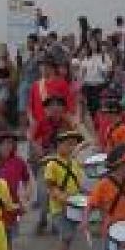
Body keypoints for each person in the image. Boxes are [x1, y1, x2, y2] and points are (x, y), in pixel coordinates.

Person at [44, 130, 85, 250]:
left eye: (73, 144)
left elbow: (78, 184)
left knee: (68, 239)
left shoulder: (74, 163)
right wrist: (62, 197)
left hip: (74, 206)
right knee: (65, 238)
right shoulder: (52, 164)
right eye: (68, 144)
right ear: (58, 145)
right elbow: (50, 186)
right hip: (59, 208)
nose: (71, 147)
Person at [30, 95, 76, 235]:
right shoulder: (42, 122)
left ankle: (57, 221)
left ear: (63, 108)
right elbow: (32, 138)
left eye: (58, 105)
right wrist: (37, 148)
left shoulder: (67, 123)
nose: (55, 108)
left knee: (61, 190)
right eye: (51, 105)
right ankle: (43, 219)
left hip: (61, 160)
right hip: (46, 158)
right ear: (47, 109)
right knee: (44, 192)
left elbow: (75, 140)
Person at [80, 37, 112, 117]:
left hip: (100, 85)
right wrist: (81, 82)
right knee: (89, 107)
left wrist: (104, 71)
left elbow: (109, 71)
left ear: (98, 44)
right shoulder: (87, 57)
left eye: (94, 43)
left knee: (98, 107)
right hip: (88, 85)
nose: (92, 45)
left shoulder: (104, 56)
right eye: (90, 43)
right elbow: (83, 72)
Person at [17, 34, 41, 133]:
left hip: (35, 83)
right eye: (28, 42)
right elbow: (20, 67)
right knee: (22, 108)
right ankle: (23, 130)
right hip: (24, 82)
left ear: (35, 43)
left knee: (35, 108)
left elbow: (39, 66)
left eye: (31, 42)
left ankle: (35, 129)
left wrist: (36, 53)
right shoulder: (24, 53)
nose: (28, 44)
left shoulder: (39, 53)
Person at [0, 43, 16, 130]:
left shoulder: (9, 63)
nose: (2, 52)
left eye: (4, 50)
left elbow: (12, 79)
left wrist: (3, 81)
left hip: (5, 88)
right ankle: (2, 127)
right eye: (0, 50)